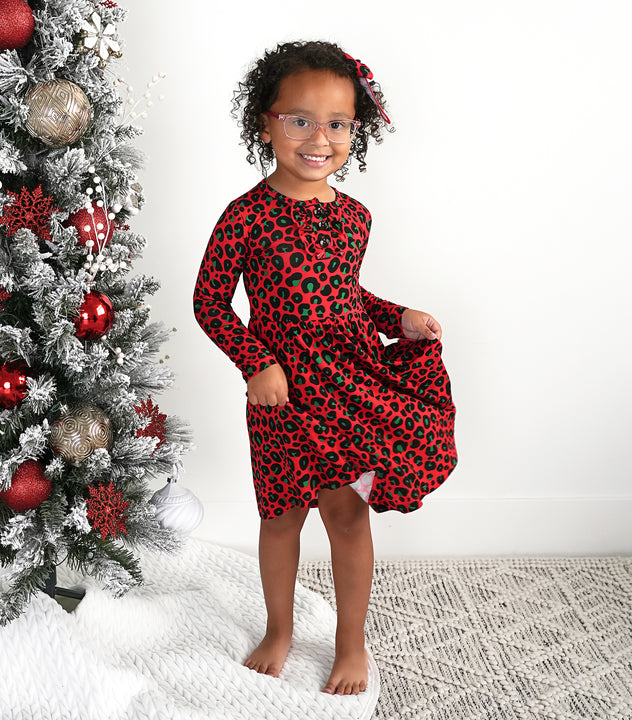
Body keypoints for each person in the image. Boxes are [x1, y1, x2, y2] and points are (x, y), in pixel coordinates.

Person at [193, 40, 457, 696]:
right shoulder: (246, 217)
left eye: (337, 123)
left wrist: (397, 318)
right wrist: (256, 362)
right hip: (281, 397)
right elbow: (209, 302)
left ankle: (350, 643)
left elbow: (347, 296)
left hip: (350, 391)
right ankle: (279, 630)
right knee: (282, 517)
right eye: (300, 120)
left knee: (347, 517)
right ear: (266, 124)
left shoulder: (354, 217)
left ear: (354, 131)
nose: (319, 138)